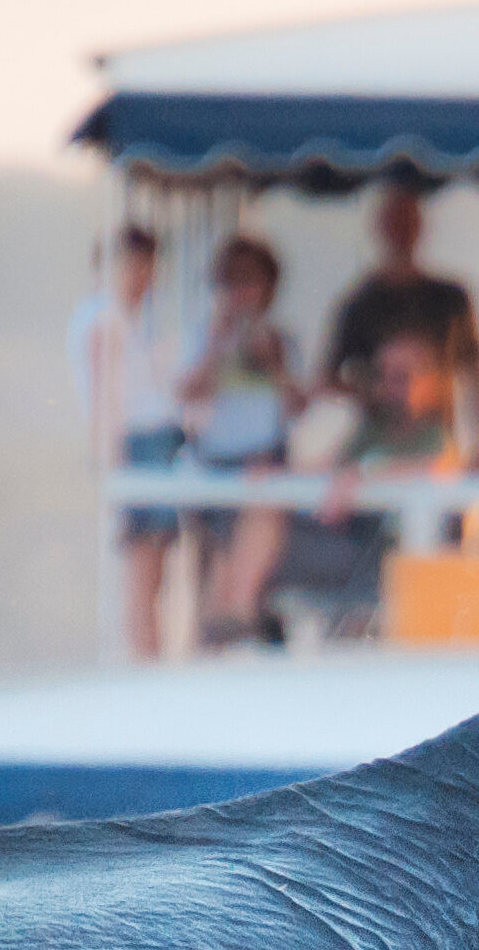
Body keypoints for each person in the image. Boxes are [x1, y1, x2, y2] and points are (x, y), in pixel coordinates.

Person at [262, 325, 466, 636]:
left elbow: (441, 468)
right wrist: (275, 473)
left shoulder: (435, 435)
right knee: (257, 523)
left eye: (403, 374)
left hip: (390, 559)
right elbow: (329, 471)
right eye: (382, 374)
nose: (390, 385)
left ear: (432, 380)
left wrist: (366, 475)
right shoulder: (371, 429)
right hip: (348, 545)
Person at [66, 224, 186, 657]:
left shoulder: (129, 319)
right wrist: (113, 462)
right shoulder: (105, 319)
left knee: (154, 571)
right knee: (143, 567)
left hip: (153, 443)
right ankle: (145, 661)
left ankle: (149, 653)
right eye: (134, 266)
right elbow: (106, 400)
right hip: (138, 447)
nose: (144, 277)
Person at [179, 235, 306, 646]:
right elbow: (187, 392)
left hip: (264, 460)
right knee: (213, 565)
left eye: (251, 282)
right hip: (215, 463)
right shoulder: (204, 336)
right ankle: (219, 631)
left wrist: (273, 364)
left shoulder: (281, 341)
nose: (241, 293)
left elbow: (297, 405)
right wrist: (218, 347)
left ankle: (239, 614)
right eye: (232, 283)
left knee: (254, 537)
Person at [320, 182, 479, 461]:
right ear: (379, 227)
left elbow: (476, 375)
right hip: (375, 441)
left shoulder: (452, 299)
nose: (401, 230)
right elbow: (326, 379)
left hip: (435, 442)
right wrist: (377, 391)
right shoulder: (360, 302)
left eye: (407, 220)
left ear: (421, 226)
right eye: (394, 221)